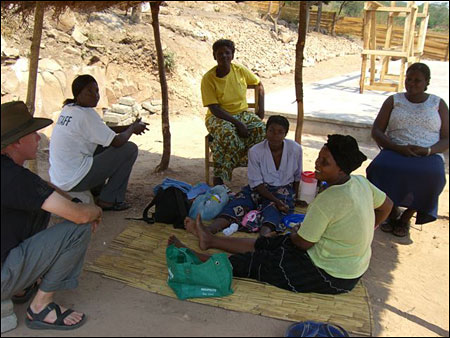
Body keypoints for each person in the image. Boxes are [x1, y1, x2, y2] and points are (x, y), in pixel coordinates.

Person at [178, 135, 393, 294]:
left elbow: (302, 244)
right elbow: (387, 206)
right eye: (318, 158)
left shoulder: (328, 199)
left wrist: (297, 233)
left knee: (264, 261)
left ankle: (205, 261)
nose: (317, 164)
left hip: (330, 276)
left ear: (342, 170)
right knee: (270, 243)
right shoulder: (361, 183)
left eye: (324, 162)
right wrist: (364, 232)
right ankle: (210, 239)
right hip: (350, 267)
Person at [1, 101, 102, 331]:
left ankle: (20, 287)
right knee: (79, 229)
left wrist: (73, 202)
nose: (38, 138)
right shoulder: (13, 178)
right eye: (32, 133)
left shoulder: (10, 173)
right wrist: (94, 211)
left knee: (40, 206)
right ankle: (41, 306)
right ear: (17, 142)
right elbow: (79, 217)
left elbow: (42, 188)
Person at [366, 62, 449, 237]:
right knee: (378, 168)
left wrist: (428, 151)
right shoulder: (394, 101)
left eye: (417, 80)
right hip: (395, 149)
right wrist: (396, 147)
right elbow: (377, 130)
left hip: (428, 153)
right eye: (408, 79)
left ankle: (406, 216)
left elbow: (447, 138)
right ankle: (390, 208)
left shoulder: (438, 103)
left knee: (434, 176)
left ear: (427, 82)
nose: (411, 83)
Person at [49, 74, 148, 211]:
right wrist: (132, 129)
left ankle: (96, 189)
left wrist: (129, 126)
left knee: (102, 144)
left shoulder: (69, 109)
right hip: (74, 180)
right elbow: (117, 141)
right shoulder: (86, 115)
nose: (95, 95)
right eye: (89, 91)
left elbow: (103, 132)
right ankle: (109, 199)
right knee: (129, 149)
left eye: (96, 91)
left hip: (61, 179)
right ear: (78, 94)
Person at [192, 115, 302, 236]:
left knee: (274, 211)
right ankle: (209, 231)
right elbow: (257, 184)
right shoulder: (255, 151)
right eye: (271, 131)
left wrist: (294, 198)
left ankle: (263, 240)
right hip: (259, 189)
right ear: (266, 131)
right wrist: (275, 199)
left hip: (283, 190)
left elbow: (297, 176)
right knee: (238, 204)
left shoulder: (295, 149)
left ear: (285, 134)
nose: (275, 135)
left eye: (280, 132)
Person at [201, 39, 266, 186]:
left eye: (227, 53)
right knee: (229, 134)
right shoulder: (208, 78)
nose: (224, 56)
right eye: (220, 53)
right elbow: (214, 108)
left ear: (233, 54)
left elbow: (259, 84)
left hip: (242, 113)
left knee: (262, 130)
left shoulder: (240, 70)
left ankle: (228, 169)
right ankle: (220, 176)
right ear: (214, 56)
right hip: (218, 117)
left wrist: (260, 112)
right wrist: (238, 124)